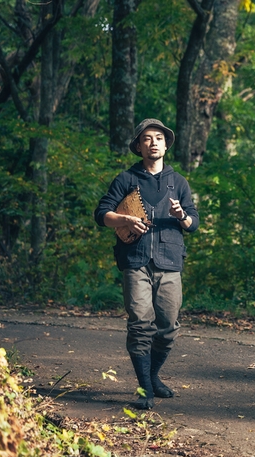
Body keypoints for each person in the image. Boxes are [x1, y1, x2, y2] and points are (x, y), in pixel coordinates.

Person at [94, 119, 199, 410]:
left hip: (169, 262)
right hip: (135, 260)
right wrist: (125, 219)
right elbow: (101, 214)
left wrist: (181, 216)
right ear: (139, 146)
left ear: (166, 145)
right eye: (147, 138)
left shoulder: (178, 183)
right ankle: (145, 390)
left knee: (168, 327)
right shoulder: (126, 179)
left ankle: (152, 376)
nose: (153, 143)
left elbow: (193, 223)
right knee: (140, 323)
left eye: (159, 138)